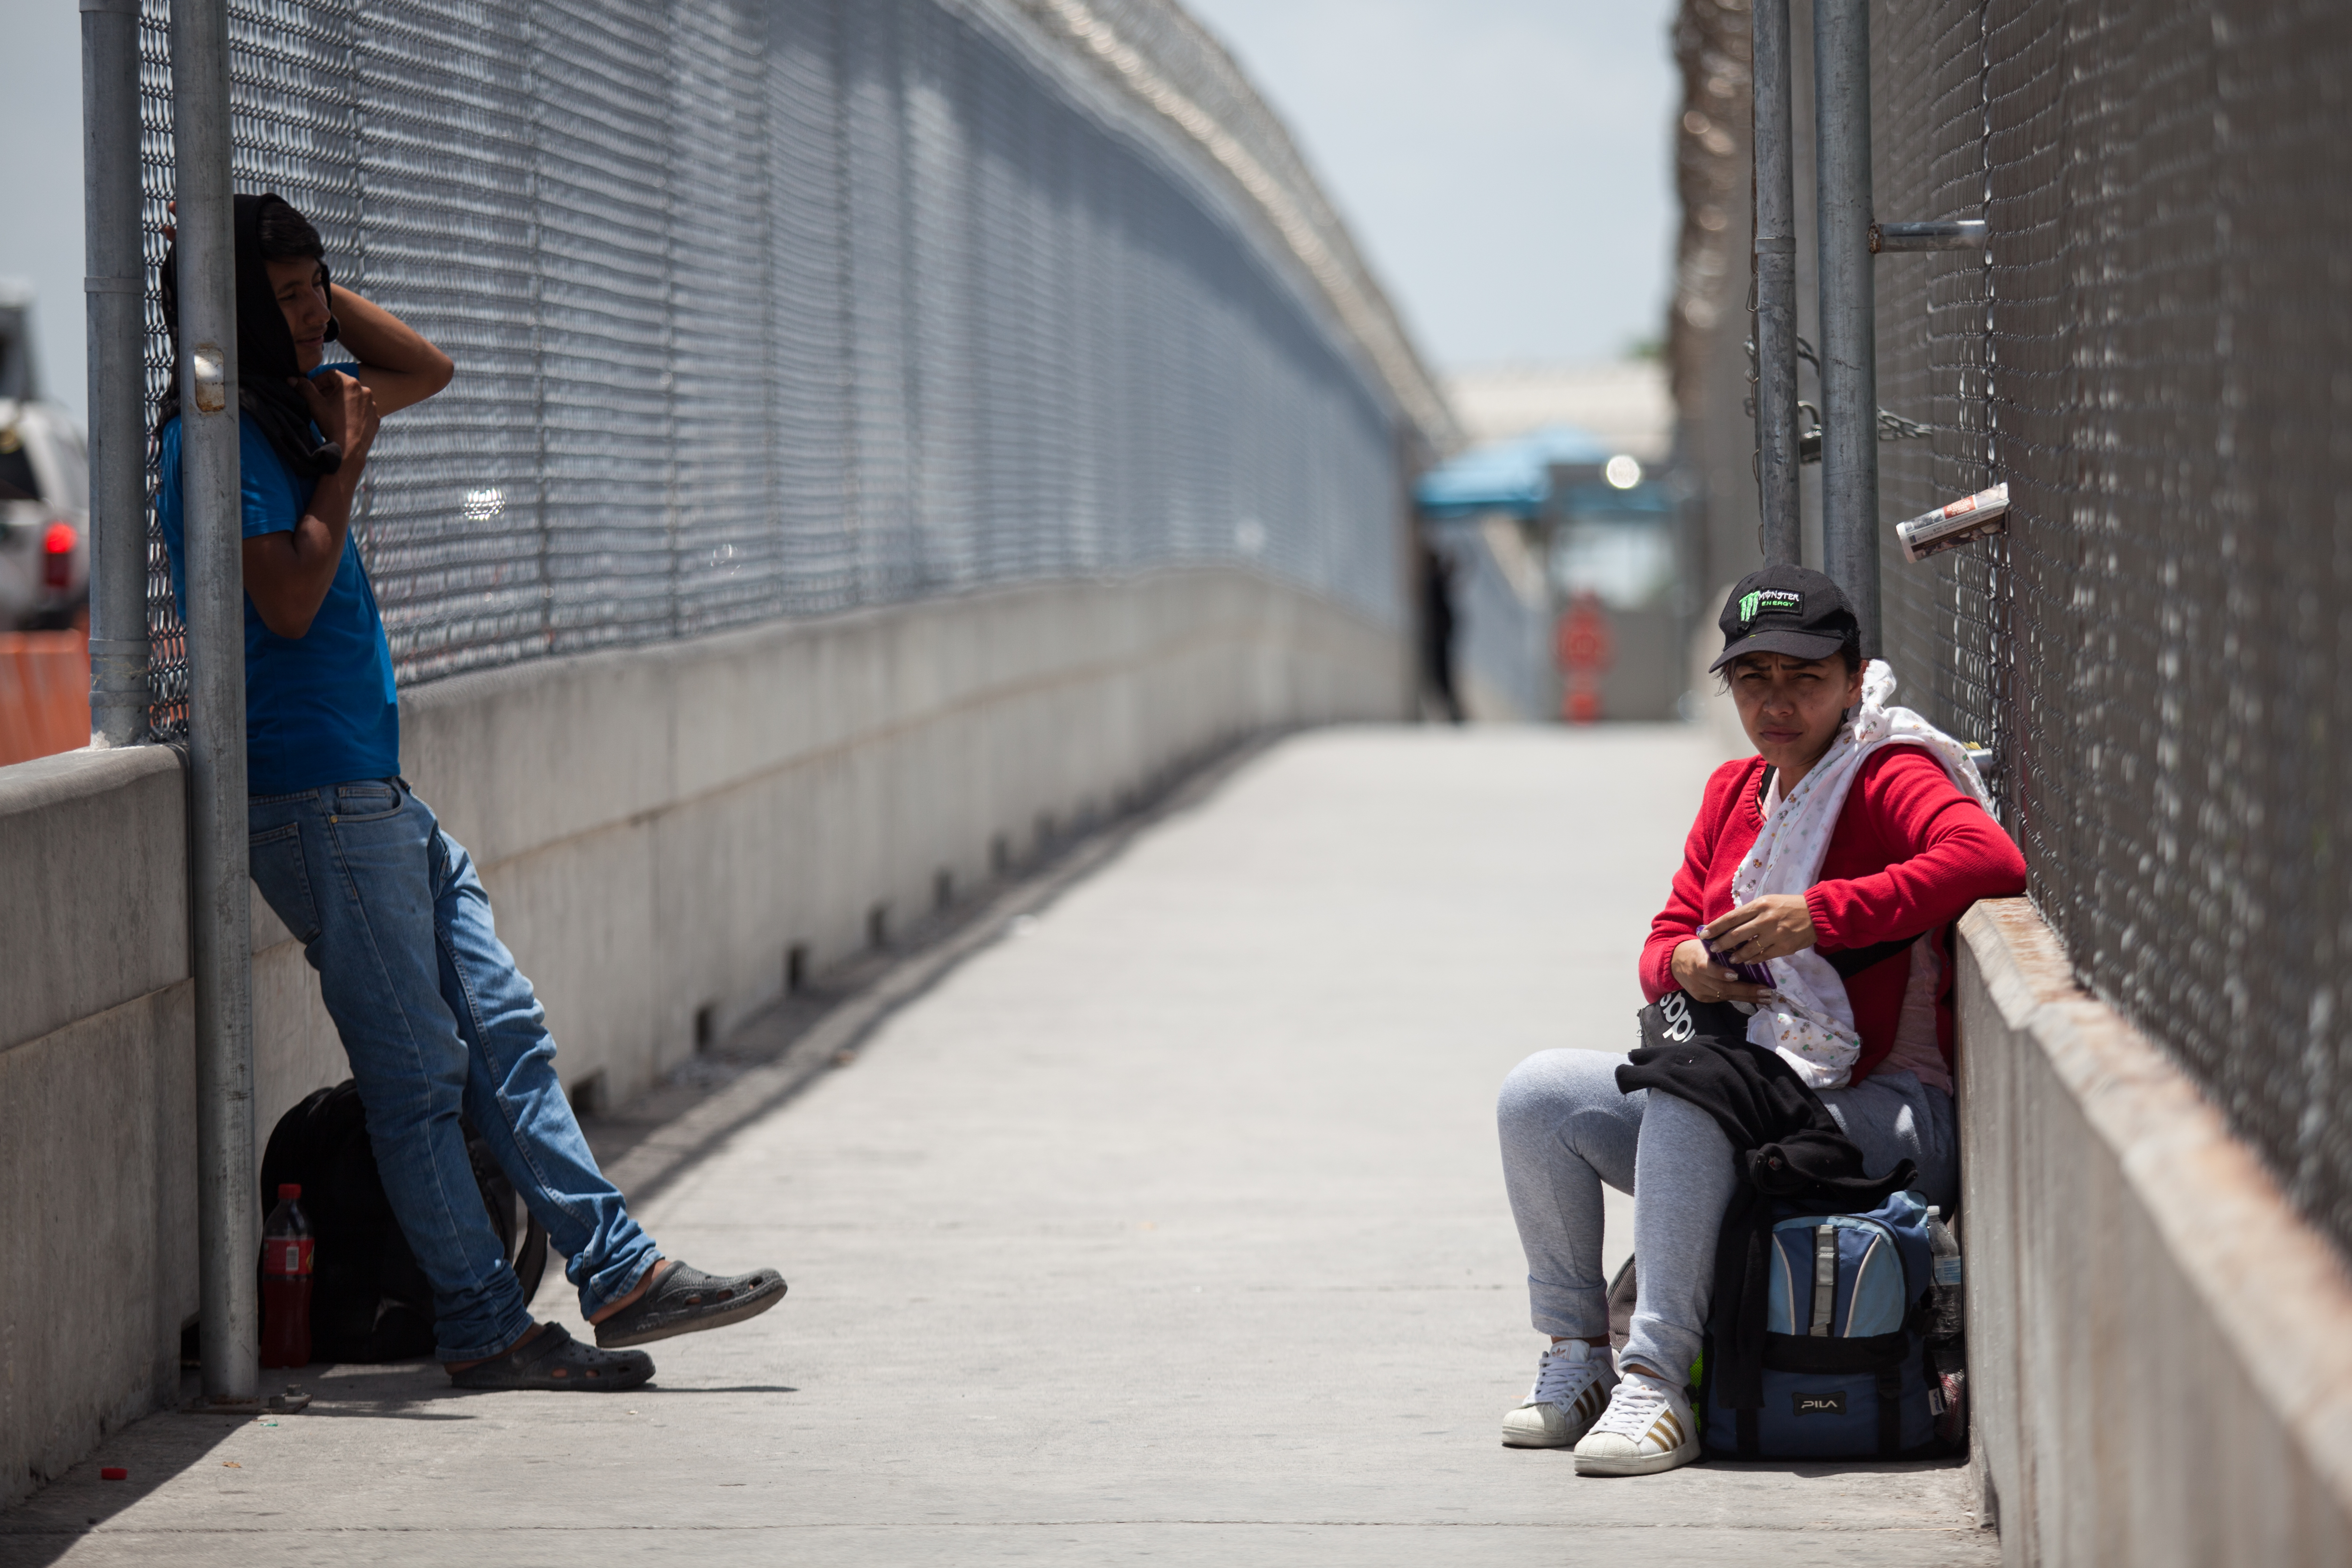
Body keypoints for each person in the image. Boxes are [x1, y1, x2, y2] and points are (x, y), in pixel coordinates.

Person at [155, 192, 785, 1391]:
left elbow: (425, 366)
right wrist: (341, 465)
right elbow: (283, 599)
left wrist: (303, 290)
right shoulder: (221, 430)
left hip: (376, 795)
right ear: (230, 312)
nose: (307, 322)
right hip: (313, 796)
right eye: (278, 300)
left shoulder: (301, 401)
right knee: (414, 1076)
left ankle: (620, 1272)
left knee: (505, 1032)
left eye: (314, 294)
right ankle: (483, 1324)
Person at [1493, 565, 2025, 1473]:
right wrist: (1689, 965)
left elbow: (1988, 855)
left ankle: (1656, 1384)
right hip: (1756, 1097)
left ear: (1855, 680)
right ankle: (1579, 1357)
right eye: (1754, 679)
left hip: (1891, 1116)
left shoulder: (1886, 771)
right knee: (1541, 1094)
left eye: (1805, 680)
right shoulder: (1737, 792)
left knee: (1692, 1095)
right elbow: (1665, 935)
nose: (1777, 703)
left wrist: (1820, 914)